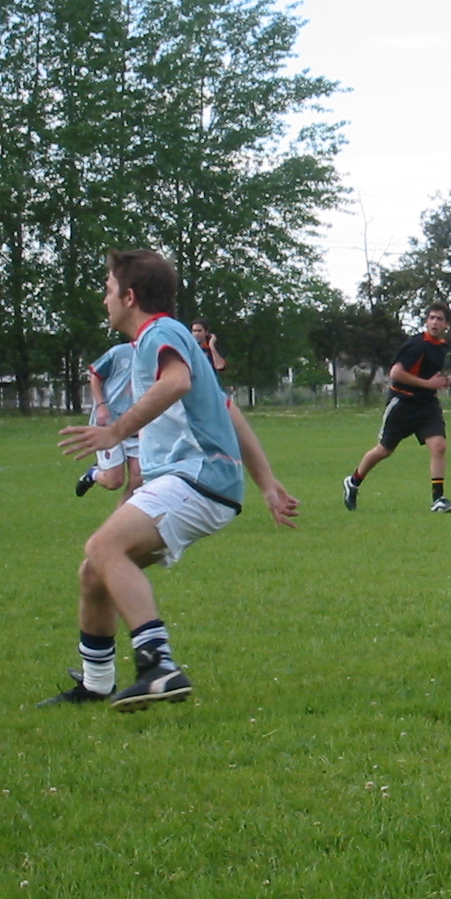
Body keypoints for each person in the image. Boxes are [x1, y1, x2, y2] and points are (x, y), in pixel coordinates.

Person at [46, 249, 299, 710]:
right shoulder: (169, 337)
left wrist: (116, 430)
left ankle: (158, 665)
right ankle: (96, 684)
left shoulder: (159, 333)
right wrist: (266, 482)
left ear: (129, 296)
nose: (104, 299)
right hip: (201, 483)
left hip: (196, 478)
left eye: (108, 289)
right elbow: (227, 410)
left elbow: (176, 382)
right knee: (95, 572)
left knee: (103, 547)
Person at [342, 303, 451, 513]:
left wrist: (443, 381)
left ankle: (438, 499)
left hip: (427, 404)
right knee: (384, 450)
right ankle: (353, 481)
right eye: (431, 317)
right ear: (426, 321)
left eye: (439, 319)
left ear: (446, 324)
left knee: (439, 445)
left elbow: (428, 373)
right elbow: (395, 373)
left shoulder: (442, 346)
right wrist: (427, 384)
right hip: (403, 403)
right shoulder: (417, 344)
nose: (434, 322)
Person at [74, 340, 142, 501]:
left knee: (138, 481)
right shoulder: (119, 352)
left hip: (136, 426)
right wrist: (101, 405)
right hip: (108, 425)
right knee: (114, 482)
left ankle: (123, 517)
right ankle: (93, 474)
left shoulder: (159, 356)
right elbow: (95, 376)